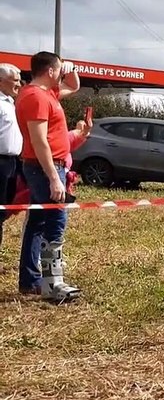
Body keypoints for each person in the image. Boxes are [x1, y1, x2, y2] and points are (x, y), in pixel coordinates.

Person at [17, 51, 80, 302]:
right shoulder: (35, 97)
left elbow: (73, 86)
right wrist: (54, 177)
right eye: (59, 69)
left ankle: (32, 279)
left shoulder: (47, 94)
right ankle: (51, 283)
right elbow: (39, 140)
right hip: (46, 166)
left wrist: (70, 68)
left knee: (39, 222)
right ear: (50, 71)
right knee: (55, 220)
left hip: (47, 165)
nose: (61, 74)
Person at [0, 64, 23, 253]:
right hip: (1, 162)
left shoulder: (10, 102)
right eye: (15, 80)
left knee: (5, 209)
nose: (19, 84)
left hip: (13, 163)